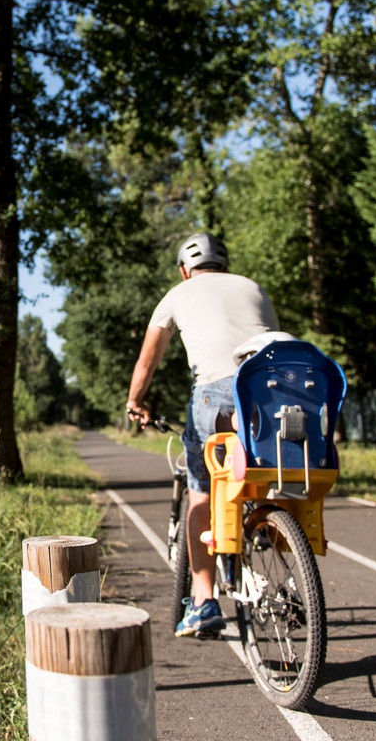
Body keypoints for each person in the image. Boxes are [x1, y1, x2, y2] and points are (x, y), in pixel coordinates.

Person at [125, 233, 279, 637]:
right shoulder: (252, 287)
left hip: (215, 393)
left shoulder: (179, 292)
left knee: (203, 489)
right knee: (258, 465)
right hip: (270, 389)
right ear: (224, 265)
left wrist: (135, 403)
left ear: (183, 269)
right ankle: (260, 529)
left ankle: (204, 600)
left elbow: (147, 361)